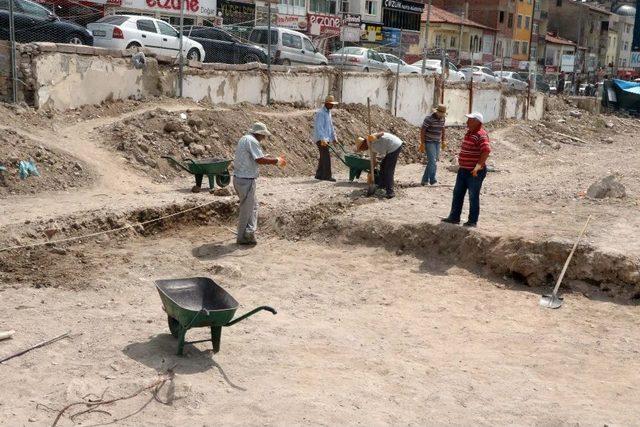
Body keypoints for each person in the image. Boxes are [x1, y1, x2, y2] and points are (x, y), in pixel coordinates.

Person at [233, 122, 286, 245]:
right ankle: (243, 237)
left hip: (239, 178)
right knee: (247, 210)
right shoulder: (252, 141)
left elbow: (253, 157)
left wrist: (268, 158)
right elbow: (259, 160)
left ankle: (249, 232)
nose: (264, 138)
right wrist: (276, 161)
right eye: (263, 136)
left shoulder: (245, 138)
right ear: (260, 133)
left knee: (253, 206)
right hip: (246, 180)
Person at [442, 112, 491, 227]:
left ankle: (472, 221)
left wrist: (477, 167)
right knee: (458, 193)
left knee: (473, 196)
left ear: (477, 122)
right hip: (463, 170)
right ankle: (454, 217)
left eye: (470, 120)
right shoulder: (469, 133)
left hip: (474, 172)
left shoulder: (481, 134)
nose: (467, 122)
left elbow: (486, 151)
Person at [356, 132, 403, 199]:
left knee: (388, 170)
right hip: (390, 149)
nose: (362, 150)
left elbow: (382, 133)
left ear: (363, 144)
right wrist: (370, 172)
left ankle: (390, 192)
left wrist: (374, 136)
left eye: (361, 148)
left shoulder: (370, 139)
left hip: (395, 146)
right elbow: (374, 161)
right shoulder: (371, 148)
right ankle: (382, 186)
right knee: (382, 166)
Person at [313, 94, 339, 182]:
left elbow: (330, 126)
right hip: (321, 138)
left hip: (326, 138)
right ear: (327, 104)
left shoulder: (328, 113)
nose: (332, 105)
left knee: (323, 156)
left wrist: (334, 137)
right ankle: (327, 176)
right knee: (326, 156)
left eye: (333, 104)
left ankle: (319, 174)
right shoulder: (321, 113)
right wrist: (322, 138)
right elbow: (319, 127)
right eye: (331, 104)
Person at [420, 104, 447, 186]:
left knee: (433, 161)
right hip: (429, 141)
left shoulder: (443, 119)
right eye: (440, 114)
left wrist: (443, 141)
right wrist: (422, 143)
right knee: (432, 161)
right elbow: (423, 130)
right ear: (436, 112)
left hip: (437, 142)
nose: (441, 116)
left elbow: (443, 129)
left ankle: (425, 180)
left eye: (442, 114)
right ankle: (433, 180)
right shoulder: (429, 119)